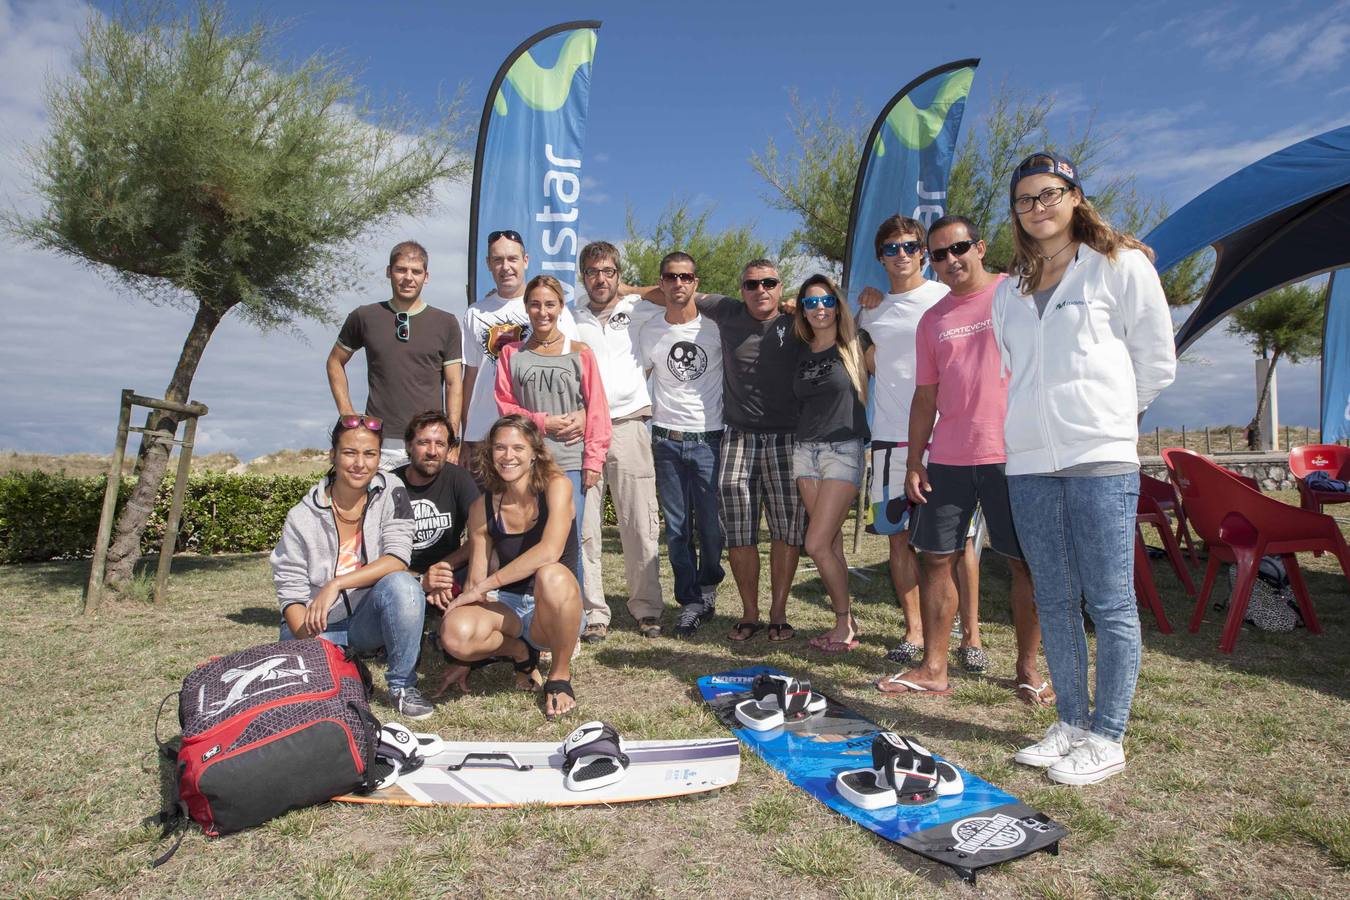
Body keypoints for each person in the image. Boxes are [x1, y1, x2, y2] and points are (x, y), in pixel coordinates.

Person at [996, 151, 1176, 784]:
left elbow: (1156, 361)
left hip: (1099, 458)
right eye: (1025, 199)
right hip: (1028, 464)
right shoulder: (1011, 288)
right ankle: (1071, 721)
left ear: (1075, 197)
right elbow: (1010, 375)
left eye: (1050, 194)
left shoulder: (1120, 265)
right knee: (1054, 596)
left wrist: (1109, 421)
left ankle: (1108, 734)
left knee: (1109, 600)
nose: (1038, 207)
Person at [877, 215, 1046, 703]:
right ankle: (934, 667)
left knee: (1022, 565)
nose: (951, 260)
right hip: (948, 457)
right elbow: (925, 397)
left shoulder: (1016, 294)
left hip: (1012, 454)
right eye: (939, 254)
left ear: (980, 247)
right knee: (935, 560)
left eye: (959, 248)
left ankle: (1028, 669)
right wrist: (914, 461)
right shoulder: (933, 319)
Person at [856, 216, 982, 670]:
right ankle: (913, 630)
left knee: (960, 543)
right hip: (890, 440)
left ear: (924, 253)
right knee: (898, 540)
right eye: (892, 249)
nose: (902, 255)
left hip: (943, 441)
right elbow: (861, 359)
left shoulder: (947, 296)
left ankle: (971, 636)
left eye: (911, 246)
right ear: (880, 257)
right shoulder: (871, 309)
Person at [270, 414, 433, 719]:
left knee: (405, 586)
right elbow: (290, 593)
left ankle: (402, 686)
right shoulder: (301, 517)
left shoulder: (391, 490)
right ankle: (346, 665)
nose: (360, 464)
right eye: (350, 453)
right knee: (307, 698)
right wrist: (310, 646)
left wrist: (336, 584)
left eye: (369, 454)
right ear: (333, 455)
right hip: (314, 627)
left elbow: (398, 558)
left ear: (379, 458)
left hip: (364, 623)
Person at [437, 415, 585, 720]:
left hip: (553, 608)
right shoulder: (482, 507)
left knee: (551, 573)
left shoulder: (558, 486)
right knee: (454, 633)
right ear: (490, 454)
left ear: (535, 452)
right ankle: (521, 654)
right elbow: (476, 582)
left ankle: (559, 674)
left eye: (518, 447)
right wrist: (466, 655)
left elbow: (549, 551)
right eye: (500, 448)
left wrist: (484, 585)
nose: (508, 456)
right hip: (509, 607)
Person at [495, 274, 611, 601]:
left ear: (561, 307)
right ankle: (537, 611)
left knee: (573, 540)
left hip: (571, 462)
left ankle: (576, 617)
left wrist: (594, 461)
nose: (542, 311)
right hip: (525, 465)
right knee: (535, 541)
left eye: (549, 304)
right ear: (526, 307)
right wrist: (542, 423)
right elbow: (506, 406)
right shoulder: (511, 355)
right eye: (535, 304)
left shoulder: (581, 352)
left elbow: (598, 409)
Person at [571, 241, 665, 641]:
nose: (600, 279)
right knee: (586, 527)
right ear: (583, 275)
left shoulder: (638, 309)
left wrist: (628, 290)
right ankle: (594, 612)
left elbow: (670, 291)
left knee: (640, 523)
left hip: (629, 426)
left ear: (617, 273)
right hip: (584, 432)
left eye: (608, 271)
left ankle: (646, 609)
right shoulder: (570, 318)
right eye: (593, 271)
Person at [637, 251, 726, 637]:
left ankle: (708, 587)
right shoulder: (650, 331)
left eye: (685, 277)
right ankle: (689, 600)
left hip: (710, 440)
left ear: (696, 282)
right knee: (676, 528)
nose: (678, 284)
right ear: (661, 283)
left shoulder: (717, 328)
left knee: (710, 526)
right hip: (667, 441)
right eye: (670, 277)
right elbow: (636, 376)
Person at [328, 241, 464, 469]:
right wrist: (347, 414)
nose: (408, 277)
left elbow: (453, 384)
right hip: (379, 444)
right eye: (401, 270)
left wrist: (451, 437)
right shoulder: (364, 316)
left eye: (416, 272)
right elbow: (334, 362)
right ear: (389, 272)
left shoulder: (446, 323)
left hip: (428, 444)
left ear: (426, 277)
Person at [791, 274, 869, 651]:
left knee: (816, 543)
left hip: (843, 450)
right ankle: (848, 622)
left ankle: (842, 623)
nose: (819, 308)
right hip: (804, 452)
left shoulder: (857, 344)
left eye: (825, 301)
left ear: (837, 304)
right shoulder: (800, 349)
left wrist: (882, 303)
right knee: (831, 543)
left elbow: (905, 356)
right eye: (809, 303)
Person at [461, 229, 578, 463]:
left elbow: (576, 372)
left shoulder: (552, 310)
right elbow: (469, 378)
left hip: (536, 435)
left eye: (512, 259)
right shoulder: (475, 312)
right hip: (484, 435)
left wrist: (581, 416)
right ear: (488, 264)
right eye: (498, 260)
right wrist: (465, 436)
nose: (506, 267)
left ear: (525, 261)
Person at [392, 411, 480, 607]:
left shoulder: (459, 479)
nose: (432, 451)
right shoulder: (391, 484)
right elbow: (376, 552)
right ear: (408, 445)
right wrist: (420, 579)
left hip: (449, 571)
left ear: (448, 449)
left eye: (440, 444)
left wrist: (441, 571)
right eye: (424, 443)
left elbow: (482, 536)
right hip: (399, 576)